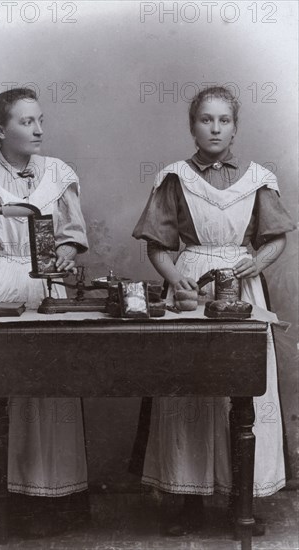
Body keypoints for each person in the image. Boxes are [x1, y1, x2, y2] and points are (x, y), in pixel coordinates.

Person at [131, 86, 295, 536]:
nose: (215, 128)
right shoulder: (174, 177)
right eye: (206, 120)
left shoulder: (257, 178)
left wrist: (255, 262)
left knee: (242, 392)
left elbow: (277, 237)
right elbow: (158, 245)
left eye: (224, 120)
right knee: (188, 389)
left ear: (235, 127)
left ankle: (241, 497)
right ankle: (186, 498)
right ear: (193, 126)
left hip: (242, 286)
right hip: (192, 282)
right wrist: (173, 277)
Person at [0, 88, 89, 530]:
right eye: (26, 122)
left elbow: (71, 235)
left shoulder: (58, 173)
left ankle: (45, 504)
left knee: (47, 394)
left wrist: (64, 252)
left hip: (45, 289)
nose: (39, 129)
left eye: (40, 120)